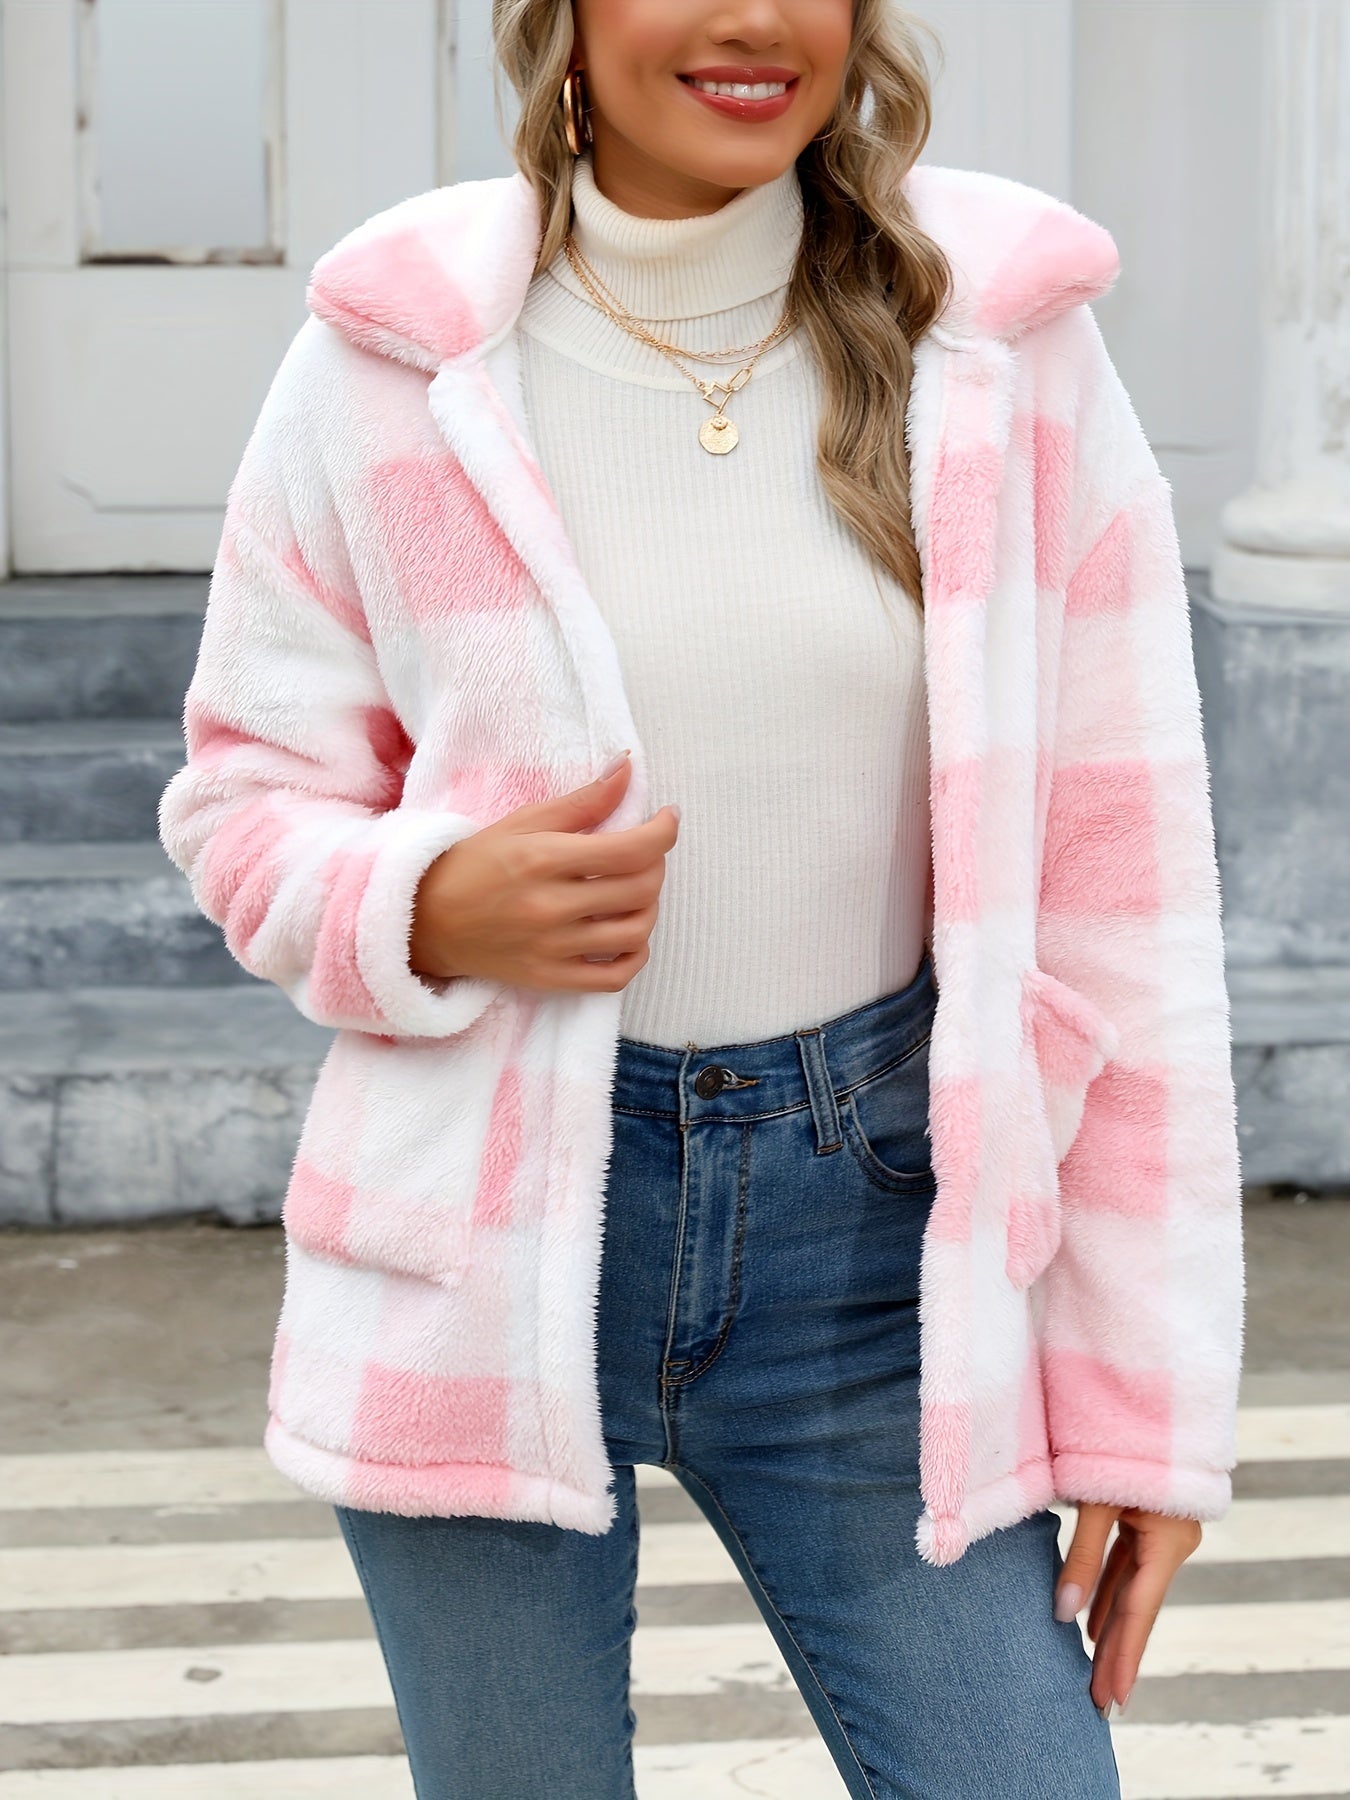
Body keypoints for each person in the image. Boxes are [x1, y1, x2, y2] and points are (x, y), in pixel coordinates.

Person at [157, 1, 1245, 1794]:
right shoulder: (390, 361)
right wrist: (419, 907)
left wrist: (1144, 1404)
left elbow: (1123, 910)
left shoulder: (1002, 349)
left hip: (878, 1243)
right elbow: (243, 796)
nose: (751, 19)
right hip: (480, 1235)